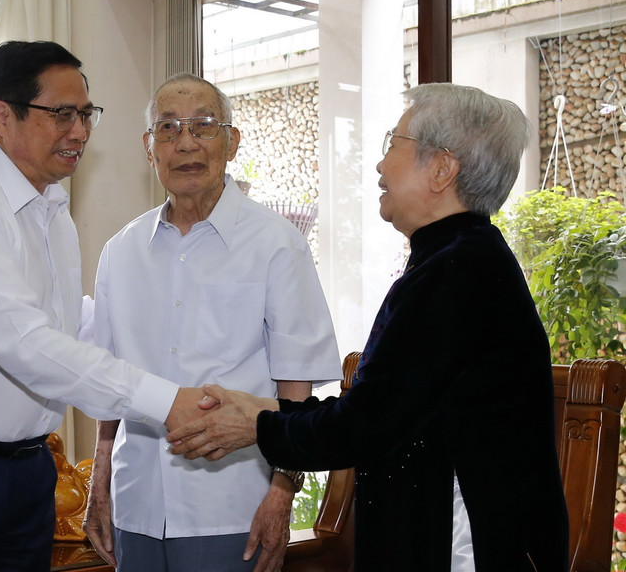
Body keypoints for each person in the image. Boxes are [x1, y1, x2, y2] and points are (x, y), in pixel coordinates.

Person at [168, 83, 570, 571]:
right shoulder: (459, 258)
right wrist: (268, 410)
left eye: (392, 144)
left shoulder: (457, 272)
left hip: (464, 547)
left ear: (442, 169)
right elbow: (387, 405)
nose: (380, 166)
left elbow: (366, 425)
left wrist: (256, 423)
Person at [0, 41, 207, 572]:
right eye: (62, 114)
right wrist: (166, 401)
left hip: (26, 471)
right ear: (3, 116)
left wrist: (184, 367)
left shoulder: (51, 210)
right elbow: (27, 344)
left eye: (86, 113)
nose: (81, 131)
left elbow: (70, 326)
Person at [82, 73, 341, 572]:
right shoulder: (120, 252)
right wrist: (100, 481)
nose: (185, 144)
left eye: (203, 126)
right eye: (169, 128)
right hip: (137, 505)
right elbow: (108, 380)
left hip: (233, 508)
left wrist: (283, 492)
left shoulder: (276, 244)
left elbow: (297, 388)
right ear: (148, 147)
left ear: (232, 141)